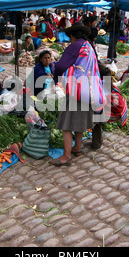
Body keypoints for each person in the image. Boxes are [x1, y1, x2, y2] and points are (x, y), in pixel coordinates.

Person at [52, 23, 105, 166]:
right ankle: (77, 148)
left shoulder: (75, 46)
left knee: (67, 124)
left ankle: (66, 156)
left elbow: (62, 66)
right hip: (89, 91)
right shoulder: (89, 47)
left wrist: (55, 75)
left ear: (72, 35)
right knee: (79, 121)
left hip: (76, 90)